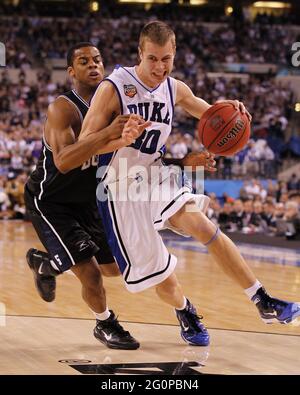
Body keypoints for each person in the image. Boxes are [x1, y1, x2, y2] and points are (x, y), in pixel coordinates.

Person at [79, 22, 300, 347]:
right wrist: (115, 138)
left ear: (175, 54)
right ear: (140, 53)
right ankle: (185, 310)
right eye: (152, 58)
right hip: (118, 187)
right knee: (163, 280)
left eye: (166, 59)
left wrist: (234, 112)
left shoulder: (175, 88)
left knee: (203, 224)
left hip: (155, 176)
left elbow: (214, 117)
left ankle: (262, 300)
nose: (159, 67)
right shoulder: (114, 87)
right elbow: (83, 145)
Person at [24, 42, 151, 350]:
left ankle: (48, 263)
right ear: (72, 71)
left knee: (115, 269)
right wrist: (108, 134)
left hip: (89, 200)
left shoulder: (113, 106)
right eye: (84, 61)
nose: (93, 65)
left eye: (97, 60)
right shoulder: (63, 108)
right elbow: (65, 162)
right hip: (51, 202)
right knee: (92, 275)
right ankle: (105, 323)